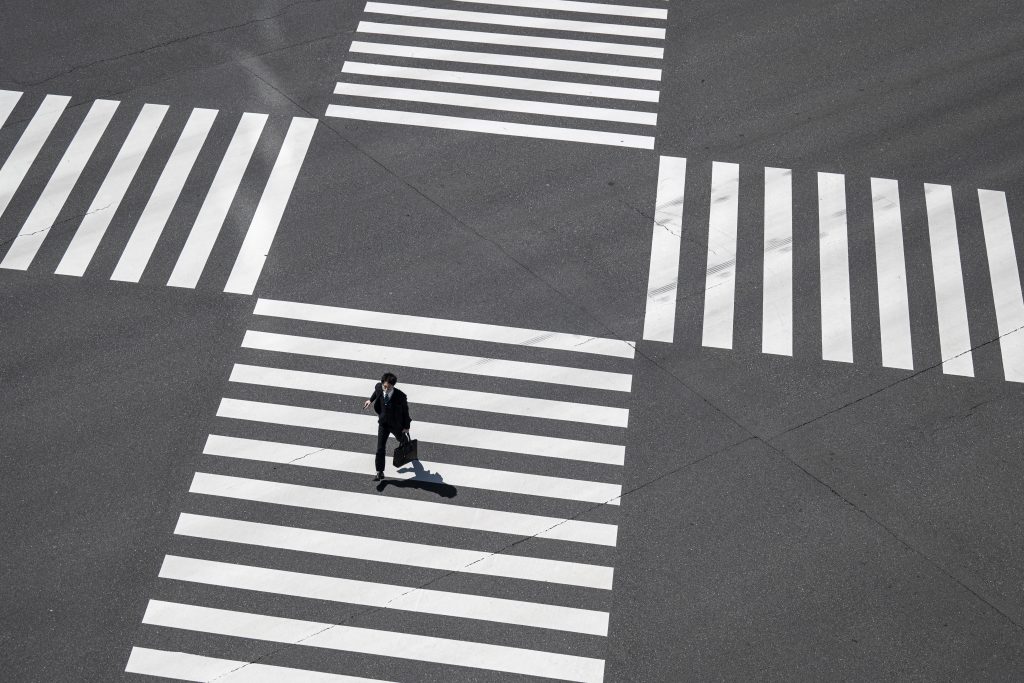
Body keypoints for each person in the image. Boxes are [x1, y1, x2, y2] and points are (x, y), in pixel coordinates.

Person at [362, 371, 411, 482]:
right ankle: (379, 471)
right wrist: (370, 400)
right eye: (385, 387)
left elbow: (406, 412)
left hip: (396, 425)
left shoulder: (400, 396)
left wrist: (406, 426)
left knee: (402, 440)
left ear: (393, 386)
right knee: (380, 448)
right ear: (382, 384)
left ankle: (406, 444)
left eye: (388, 388)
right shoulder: (379, 387)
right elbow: (377, 392)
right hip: (383, 423)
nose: (386, 389)